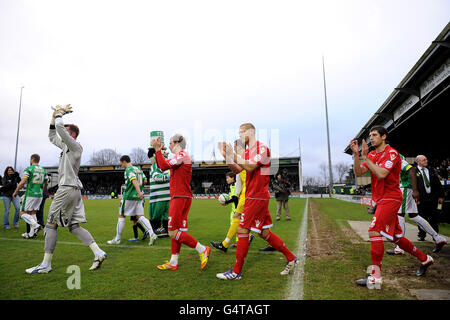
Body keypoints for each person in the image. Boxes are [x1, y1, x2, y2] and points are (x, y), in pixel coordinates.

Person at [26, 104, 107, 274]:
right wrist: (54, 115)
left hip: (67, 188)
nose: (63, 130)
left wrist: (60, 113)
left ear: (72, 135)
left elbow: (60, 129)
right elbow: (51, 135)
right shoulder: (65, 146)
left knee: (50, 225)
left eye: (66, 129)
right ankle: (98, 252)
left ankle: (46, 264)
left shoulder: (76, 146)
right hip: (73, 189)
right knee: (74, 226)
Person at [350, 126, 433, 290]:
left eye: (374, 135)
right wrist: (356, 155)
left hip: (391, 197)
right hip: (381, 199)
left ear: (384, 136)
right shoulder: (372, 154)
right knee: (395, 237)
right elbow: (359, 172)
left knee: (374, 230)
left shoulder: (392, 153)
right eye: (370, 136)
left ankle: (375, 277)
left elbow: (381, 174)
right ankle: (424, 258)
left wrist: (366, 158)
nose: (371, 138)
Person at [216, 123, 297, 280]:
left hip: (256, 196)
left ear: (251, 132)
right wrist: (226, 154)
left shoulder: (262, 148)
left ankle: (236, 271)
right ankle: (291, 258)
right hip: (255, 196)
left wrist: (233, 153)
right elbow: (237, 170)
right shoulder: (248, 152)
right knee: (264, 233)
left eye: (241, 132)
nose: (239, 136)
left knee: (242, 230)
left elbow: (251, 166)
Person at [151, 133, 211, 271]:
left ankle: (203, 249)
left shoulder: (182, 155)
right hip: (182, 196)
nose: (169, 145)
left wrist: (158, 150)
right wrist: (159, 151)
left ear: (177, 143)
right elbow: (164, 165)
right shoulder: (181, 156)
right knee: (177, 230)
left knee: (172, 232)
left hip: (179, 197)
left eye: (171, 142)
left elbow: (163, 166)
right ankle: (173, 261)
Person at [387, 154, 447, 255]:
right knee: (414, 216)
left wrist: (415, 190)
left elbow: (410, 170)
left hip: (406, 188)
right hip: (408, 188)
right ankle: (438, 238)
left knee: (400, 215)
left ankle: (399, 247)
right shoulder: (393, 156)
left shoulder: (395, 156)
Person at [107, 155, 157, 245]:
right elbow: (145, 181)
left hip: (129, 197)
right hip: (138, 198)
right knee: (140, 216)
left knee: (121, 216)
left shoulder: (129, 169)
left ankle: (117, 239)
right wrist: (140, 191)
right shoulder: (139, 170)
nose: (121, 165)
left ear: (124, 162)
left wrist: (138, 192)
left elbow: (134, 181)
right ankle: (152, 234)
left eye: (121, 163)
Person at [12, 154, 49, 239]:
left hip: (30, 194)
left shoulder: (29, 169)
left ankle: (36, 225)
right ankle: (31, 234)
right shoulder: (43, 170)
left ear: (32, 159)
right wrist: (42, 191)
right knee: (33, 213)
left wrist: (16, 191)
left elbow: (23, 182)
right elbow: (46, 183)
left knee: (22, 213)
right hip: (39, 195)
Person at [415, 155, 445, 242]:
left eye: (426, 159)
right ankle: (421, 235)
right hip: (421, 199)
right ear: (418, 162)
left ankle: (435, 235)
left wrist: (441, 196)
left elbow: (438, 184)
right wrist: (416, 198)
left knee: (434, 217)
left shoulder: (431, 170)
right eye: (424, 160)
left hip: (433, 198)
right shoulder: (414, 171)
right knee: (421, 217)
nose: (426, 161)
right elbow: (414, 187)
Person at [148, 146, 170, 238]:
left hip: (163, 196)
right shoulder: (156, 166)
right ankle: (159, 229)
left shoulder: (163, 165)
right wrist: (169, 175)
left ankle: (163, 229)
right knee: (160, 214)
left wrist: (167, 175)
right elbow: (158, 177)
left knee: (164, 214)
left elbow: (159, 176)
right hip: (160, 196)